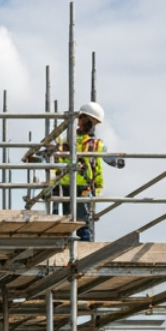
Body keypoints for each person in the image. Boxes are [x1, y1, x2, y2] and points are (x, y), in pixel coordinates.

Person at [52, 101, 106, 241]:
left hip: (84, 187)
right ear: (80, 119)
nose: (91, 125)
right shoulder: (65, 141)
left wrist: (97, 188)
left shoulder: (95, 144)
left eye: (94, 123)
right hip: (63, 186)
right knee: (60, 224)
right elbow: (56, 164)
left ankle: (84, 249)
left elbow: (97, 167)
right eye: (90, 121)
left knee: (83, 225)